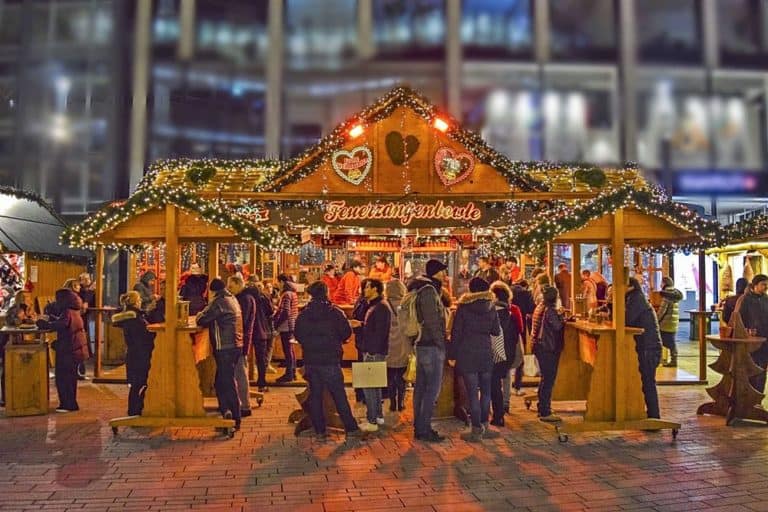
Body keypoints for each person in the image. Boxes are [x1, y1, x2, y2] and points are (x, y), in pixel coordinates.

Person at [294, 281, 361, 439]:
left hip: (311, 359)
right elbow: (346, 333)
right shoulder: (335, 312)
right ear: (326, 292)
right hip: (331, 359)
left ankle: (320, 430)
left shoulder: (304, 314)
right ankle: (350, 428)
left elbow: (298, 334)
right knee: (339, 394)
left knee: (315, 394)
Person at [451, 277, 501, 442]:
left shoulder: (463, 308)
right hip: (485, 352)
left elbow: (456, 332)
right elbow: (495, 331)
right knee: (486, 392)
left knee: (472, 393)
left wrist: (452, 354)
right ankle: (485, 425)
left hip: (467, 352)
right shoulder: (491, 307)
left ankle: (476, 428)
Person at [408, 259, 449, 443]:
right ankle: (424, 428)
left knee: (421, 388)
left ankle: (419, 426)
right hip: (430, 345)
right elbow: (432, 321)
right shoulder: (429, 291)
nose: (445, 275)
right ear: (436, 272)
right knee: (432, 389)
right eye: (442, 271)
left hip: (422, 344)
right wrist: (441, 343)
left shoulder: (420, 288)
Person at [196, 278, 244, 431]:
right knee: (221, 381)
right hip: (236, 345)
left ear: (212, 291)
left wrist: (199, 314)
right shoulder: (232, 298)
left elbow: (203, 319)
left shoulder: (218, 302)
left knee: (227, 382)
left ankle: (234, 418)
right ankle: (226, 412)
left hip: (225, 347)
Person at [37, 287, 88, 412]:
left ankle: (67, 404)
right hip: (75, 348)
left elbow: (62, 324)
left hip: (68, 350)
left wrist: (46, 324)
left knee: (63, 378)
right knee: (71, 378)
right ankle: (71, 403)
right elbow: (65, 323)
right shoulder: (74, 310)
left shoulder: (67, 311)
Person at [352, 278, 391, 432]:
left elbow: (379, 332)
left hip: (373, 351)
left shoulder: (380, 307)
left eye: (367, 287)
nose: (364, 290)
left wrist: (370, 351)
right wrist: (361, 324)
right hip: (373, 350)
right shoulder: (376, 306)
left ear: (375, 289)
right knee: (375, 385)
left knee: (369, 386)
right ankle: (378, 416)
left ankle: (372, 419)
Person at [111, 291, 156, 416]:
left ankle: (134, 410)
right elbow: (143, 336)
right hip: (140, 355)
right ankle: (135, 411)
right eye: (139, 299)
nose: (141, 300)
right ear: (136, 302)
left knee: (137, 384)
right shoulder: (135, 318)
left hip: (134, 354)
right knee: (140, 383)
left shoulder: (131, 316)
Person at [625, 277, 662, 419]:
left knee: (648, 382)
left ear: (630, 287)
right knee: (647, 382)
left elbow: (627, 319)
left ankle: (654, 416)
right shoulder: (633, 298)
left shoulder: (636, 300)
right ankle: (652, 415)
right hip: (648, 346)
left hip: (649, 347)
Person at [489, 281, 523, 426]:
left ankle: (495, 412)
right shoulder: (513, 310)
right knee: (505, 376)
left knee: (493, 382)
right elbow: (519, 330)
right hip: (508, 351)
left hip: (494, 351)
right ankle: (505, 404)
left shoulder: (490, 311)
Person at [531, 286, 565, 422]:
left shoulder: (540, 307)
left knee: (545, 378)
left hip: (539, 346)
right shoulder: (550, 311)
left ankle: (542, 407)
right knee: (549, 379)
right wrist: (562, 316)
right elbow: (557, 326)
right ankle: (545, 411)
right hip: (547, 347)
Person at [228, 275, 255, 417]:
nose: (229, 290)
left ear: (239, 285)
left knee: (240, 373)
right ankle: (242, 403)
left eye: (231, 287)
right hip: (242, 340)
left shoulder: (243, 299)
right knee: (240, 372)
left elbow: (241, 322)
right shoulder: (247, 298)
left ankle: (245, 405)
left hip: (240, 340)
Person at [737, 274, 768, 393]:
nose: (766, 287)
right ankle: (748, 398)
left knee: (762, 370)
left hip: (765, 341)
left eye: (766, 285)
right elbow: (740, 319)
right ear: (755, 285)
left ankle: (758, 398)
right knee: (751, 369)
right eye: (763, 284)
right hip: (750, 342)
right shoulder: (746, 300)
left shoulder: (766, 300)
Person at [245, 275, 274, 392]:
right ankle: (261, 383)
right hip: (261, 330)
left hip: (247, 330)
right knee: (261, 358)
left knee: (243, 356)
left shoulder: (244, 296)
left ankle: (243, 381)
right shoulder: (264, 296)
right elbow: (270, 312)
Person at [385, 279, 410, 412]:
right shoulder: (406, 305)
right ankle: (401, 402)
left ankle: (392, 402)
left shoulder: (384, 305)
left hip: (388, 344)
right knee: (402, 376)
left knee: (389, 376)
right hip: (403, 344)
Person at [510, 279, 535, 397]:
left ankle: (505, 387)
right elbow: (531, 309)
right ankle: (517, 386)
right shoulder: (526, 294)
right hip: (520, 329)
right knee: (520, 358)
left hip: (504, 329)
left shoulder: (507, 290)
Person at [273, 274, 299, 383]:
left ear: (282, 282)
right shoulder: (293, 293)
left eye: (278, 282)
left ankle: (289, 374)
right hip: (292, 325)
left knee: (287, 350)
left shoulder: (286, 294)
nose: (277, 284)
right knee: (290, 350)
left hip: (286, 326)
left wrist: (276, 324)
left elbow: (285, 312)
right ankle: (293, 373)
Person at [657, 277, 683, 367]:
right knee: (671, 342)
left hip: (665, 323)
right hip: (673, 323)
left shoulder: (666, 295)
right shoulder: (675, 294)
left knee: (659, 341)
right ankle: (673, 360)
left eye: (661, 283)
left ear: (664, 284)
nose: (660, 285)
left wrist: (656, 319)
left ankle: (661, 360)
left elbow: (662, 311)